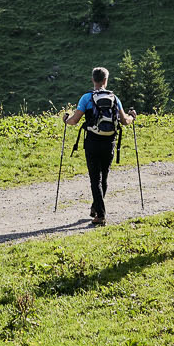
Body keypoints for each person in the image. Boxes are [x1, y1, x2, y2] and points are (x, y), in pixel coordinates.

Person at [61, 66, 133, 226]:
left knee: (95, 179)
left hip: (92, 142)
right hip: (109, 142)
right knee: (104, 176)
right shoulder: (115, 98)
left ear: (93, 79)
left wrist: (65, 119)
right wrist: (132, 117)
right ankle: (96, 207)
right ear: (106, 80)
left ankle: (100, 215)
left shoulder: (86, 98)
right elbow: (124, 121)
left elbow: (74, 120)